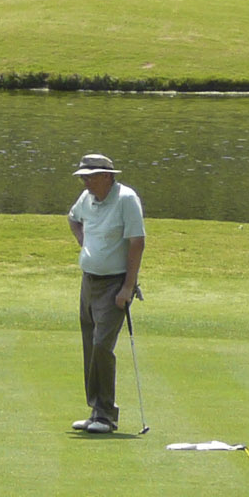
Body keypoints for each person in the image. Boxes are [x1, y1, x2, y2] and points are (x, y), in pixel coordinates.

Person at [67, 153, 146, 434]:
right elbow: (73, 219)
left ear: (107, 176)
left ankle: (106, 415)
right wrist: (84, 241)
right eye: (83, 177)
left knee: (102, 345)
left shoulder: (126, 199)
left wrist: (128, 287)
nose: (85, 182)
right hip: (89, 281)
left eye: (90, 177)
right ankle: (95, 411)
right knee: (90, 345)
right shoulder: (87, 199)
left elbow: (137, 242)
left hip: (115, 284)